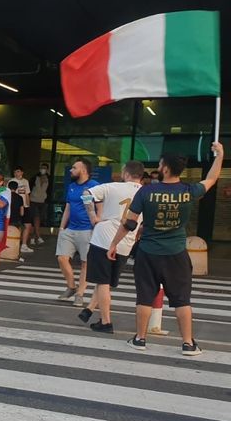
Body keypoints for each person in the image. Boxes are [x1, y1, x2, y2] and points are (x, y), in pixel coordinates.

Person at [112, 141, 224, 355]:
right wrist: (220, 156)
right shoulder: (189, 191)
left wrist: (114, 244)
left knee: (144, 297)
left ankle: (140, 339)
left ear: (164, 168)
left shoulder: (146, 193)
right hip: (176, 254)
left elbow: (130, 223)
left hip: (148, 253)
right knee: (182, 299)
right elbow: (211, 179)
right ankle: (188, 343)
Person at [77, 161, 144, 333]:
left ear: (125, 173)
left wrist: (92, 215)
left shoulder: (112, 187)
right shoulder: (146, 193)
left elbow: (86, 193)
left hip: (103, 239)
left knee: (102, 282)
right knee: (104, 282)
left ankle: (106, 322)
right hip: (126, 243)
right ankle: (90, 310)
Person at [56, 158, 98, 305]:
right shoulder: (72, 186)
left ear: (84, 170)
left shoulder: (94, 186)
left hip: (87, 229)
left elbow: (101, 206)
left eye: (74, 168)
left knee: (85, 263)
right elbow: (68, 207)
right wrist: (62, 227)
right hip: (71, 228)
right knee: (62, 257)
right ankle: (71, 286)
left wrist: (97, 225)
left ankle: (80, 293)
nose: (70, 170)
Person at [9, 167, 34, 253]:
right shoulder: (11, 181)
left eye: (18, 171)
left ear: (22, 172)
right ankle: (14, 243)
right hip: (16, 206)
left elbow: (27, 194)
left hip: (25, 206)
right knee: (15, 225)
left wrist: (28, 205)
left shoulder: (25, 181)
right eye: (15, 172)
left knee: (28, 225)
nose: (16, 173)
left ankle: (24, 245)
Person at [30, 164, 50, 244]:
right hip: (33, 200)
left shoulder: (48, 178)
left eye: (44, 168)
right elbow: (30, 188)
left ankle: (33, 237)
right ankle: (38, 236)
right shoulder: (35, 177)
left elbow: (49, 190)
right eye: (42, 168)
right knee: (36, 217)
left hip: (43, 201)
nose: (43, 169)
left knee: (39, 219)